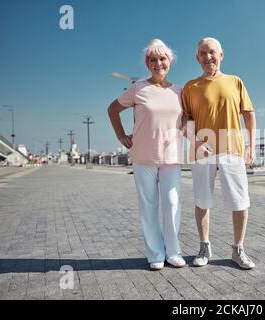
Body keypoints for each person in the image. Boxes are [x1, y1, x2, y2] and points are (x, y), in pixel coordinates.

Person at [108, 39, 185, 271]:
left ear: (169, 62)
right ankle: (155, 253)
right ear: (147, 63)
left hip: (172, 156)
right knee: (149, 205)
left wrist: (205, 140)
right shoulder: (138, 88)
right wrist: (121, 136)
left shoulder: (180, 91)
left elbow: (188, 122)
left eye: (162, 59)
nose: (158, 63)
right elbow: (112, 109)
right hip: (143, 156)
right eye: (153, 59)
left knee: (172, 204)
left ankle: (173, 252)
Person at [182, 37, 257, 269]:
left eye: (212, 52)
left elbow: (249, 115)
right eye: (203, 54)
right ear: (197, 58)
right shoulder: (190, 87)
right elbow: (184, 120)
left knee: (240, 201)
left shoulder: (235, 81)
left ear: (221, 54)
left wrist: (251, 147)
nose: (208, 57)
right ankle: (204, 246)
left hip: (232, 150)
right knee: (202, 201)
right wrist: (195, 143)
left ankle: (238, 249)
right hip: (202, 153)